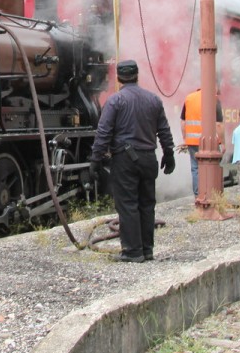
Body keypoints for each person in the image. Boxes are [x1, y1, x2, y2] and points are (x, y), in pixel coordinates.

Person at [90, 60, 176, 263]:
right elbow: (164, 130)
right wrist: (169, 153)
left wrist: (95, 159)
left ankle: (132, 251)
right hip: (149, 158)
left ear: (119, 78)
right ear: (137, 75)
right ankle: (147, 250)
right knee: (147, 204)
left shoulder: (114, 101)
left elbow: (103, 132)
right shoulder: (153, 100)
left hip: (125, 159)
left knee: (128, 204)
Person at [180, 88, 224, 198]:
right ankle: (211, 194)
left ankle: (198, 196)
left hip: (192, 142)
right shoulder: (214, 99)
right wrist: (223, 142)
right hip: (209, 141)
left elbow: (183, 122)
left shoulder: (189, 98)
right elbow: (218, 125)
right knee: (213, 166)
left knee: (195, 168)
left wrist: (185, 139)